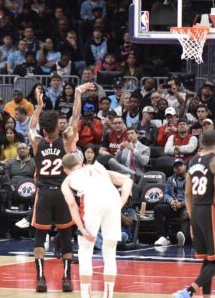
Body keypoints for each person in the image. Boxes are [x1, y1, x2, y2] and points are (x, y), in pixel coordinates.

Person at [29, 82, 94, 293]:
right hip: (64, 193)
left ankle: (40, 278)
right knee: (66, 238)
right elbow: (76, 117)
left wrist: (39, 105)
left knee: (40, 239)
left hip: (44, 194)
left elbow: (31, 126)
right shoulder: (66, 140)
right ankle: (66, 279)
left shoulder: (36, 141)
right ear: (58, 126)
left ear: (44, 127)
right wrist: (77, 93)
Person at [61, 154, 133, 298]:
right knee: (110, 252)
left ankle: (86, 296)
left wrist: (81, 228)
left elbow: (72, 205)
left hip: (91, 200)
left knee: (85, 252)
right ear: (80, 163)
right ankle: (108, 295)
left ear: (65, 170)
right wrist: (119, 204)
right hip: (112, 198)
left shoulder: (68, 179)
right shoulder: (98, 168)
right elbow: (128, 180)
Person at [172, 130, 215, 298]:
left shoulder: (193, 161)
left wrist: (191, 217)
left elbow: (187, 193)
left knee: (209, 258)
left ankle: (206, 296)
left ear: (201, 141)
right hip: (210, 211)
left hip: (195, 210)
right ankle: (188, 291)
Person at [154, 159, 190, 247]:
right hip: (173, 205)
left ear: (185, 166)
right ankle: (163, 237)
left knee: (186, 213)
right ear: (174, 169)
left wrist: (181, 204)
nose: (179, 168)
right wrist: (171, 201)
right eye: (176, 166)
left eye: (181, 165)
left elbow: (193, 196)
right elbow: (166, 194)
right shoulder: (171, 179)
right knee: (158, 208)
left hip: (185, 205)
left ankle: (184, 236)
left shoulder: (191, 178)